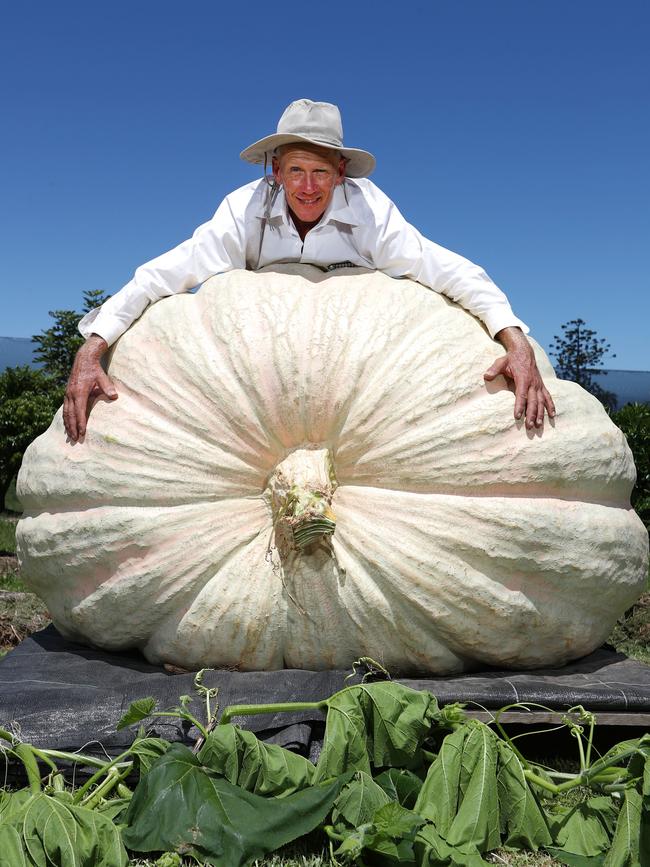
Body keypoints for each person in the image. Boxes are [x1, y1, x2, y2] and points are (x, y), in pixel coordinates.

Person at [64, 98, 555, 440]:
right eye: (295, 170)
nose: (307, 186)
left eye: (321, 172)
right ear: (274, 171)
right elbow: (165, 274)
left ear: (340, 173)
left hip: (355, 382)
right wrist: (93, 346)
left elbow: (445, 268)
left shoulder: (368, 212)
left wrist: (514, 340)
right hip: (262, 379)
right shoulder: (244, 210)